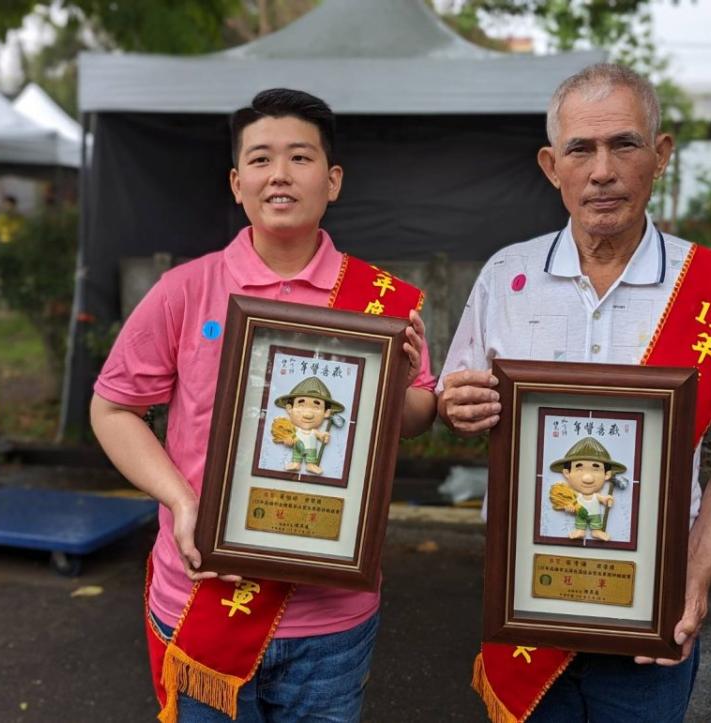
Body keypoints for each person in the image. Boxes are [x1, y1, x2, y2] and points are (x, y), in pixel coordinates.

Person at [438, 64, 711, 722]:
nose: (602, 170)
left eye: (624, 144)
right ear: (552, 165)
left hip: (650, 627)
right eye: (581, 149)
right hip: (528, 611)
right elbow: (456, 395)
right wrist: (455, 406)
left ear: (660, 155)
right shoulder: (505, 275)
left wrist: (696, 569)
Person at [90, 88, 437, 722]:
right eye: (260, 159)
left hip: (331, 615)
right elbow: (112, 409)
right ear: (236, 181)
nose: (279, 174)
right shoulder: (184, 290)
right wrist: (181, 501)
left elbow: (415, 419)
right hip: (202, 593)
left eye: (300, 157)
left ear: (332, 180)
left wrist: (403, 381)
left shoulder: (383, 301)